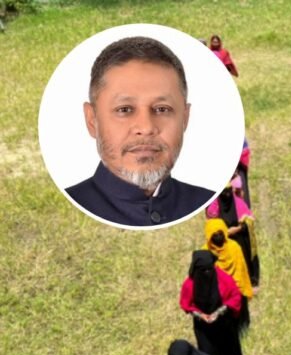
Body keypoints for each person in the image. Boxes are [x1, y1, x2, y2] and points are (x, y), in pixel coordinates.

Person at [66, 36, 213, 226]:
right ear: (92, 120)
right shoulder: (71, 206)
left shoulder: (206, 201)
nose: (146, 128)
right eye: (124, 110)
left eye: (162, 109)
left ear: (185, 118)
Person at [180, 251, 244, 355]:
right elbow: (185, 304)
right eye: (203, 270)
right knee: (207, 348)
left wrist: (219, 312)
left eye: (209, 269)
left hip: (223, 319)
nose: (207, 273)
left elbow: (235, 295)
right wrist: (201, 315)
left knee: (227, 343)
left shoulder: (223, 278)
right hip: (203, 325)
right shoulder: (189, 284)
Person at [207, 184, 261, 288]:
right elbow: (212, 228)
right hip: (222, 241)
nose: (227, 195)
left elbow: (249, 220)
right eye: (224, 192)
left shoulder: (238, 204)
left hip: (240, 239)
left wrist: (238, 228)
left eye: (229, 191)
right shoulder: (214, 208)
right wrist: (226, 233)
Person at [203, 218, 253, 332]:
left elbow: (241, 271)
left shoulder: (232, 247)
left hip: (229, 295)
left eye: (219, 233)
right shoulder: (207, 254)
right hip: (228, 295)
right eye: (215, 234)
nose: (218, 236)